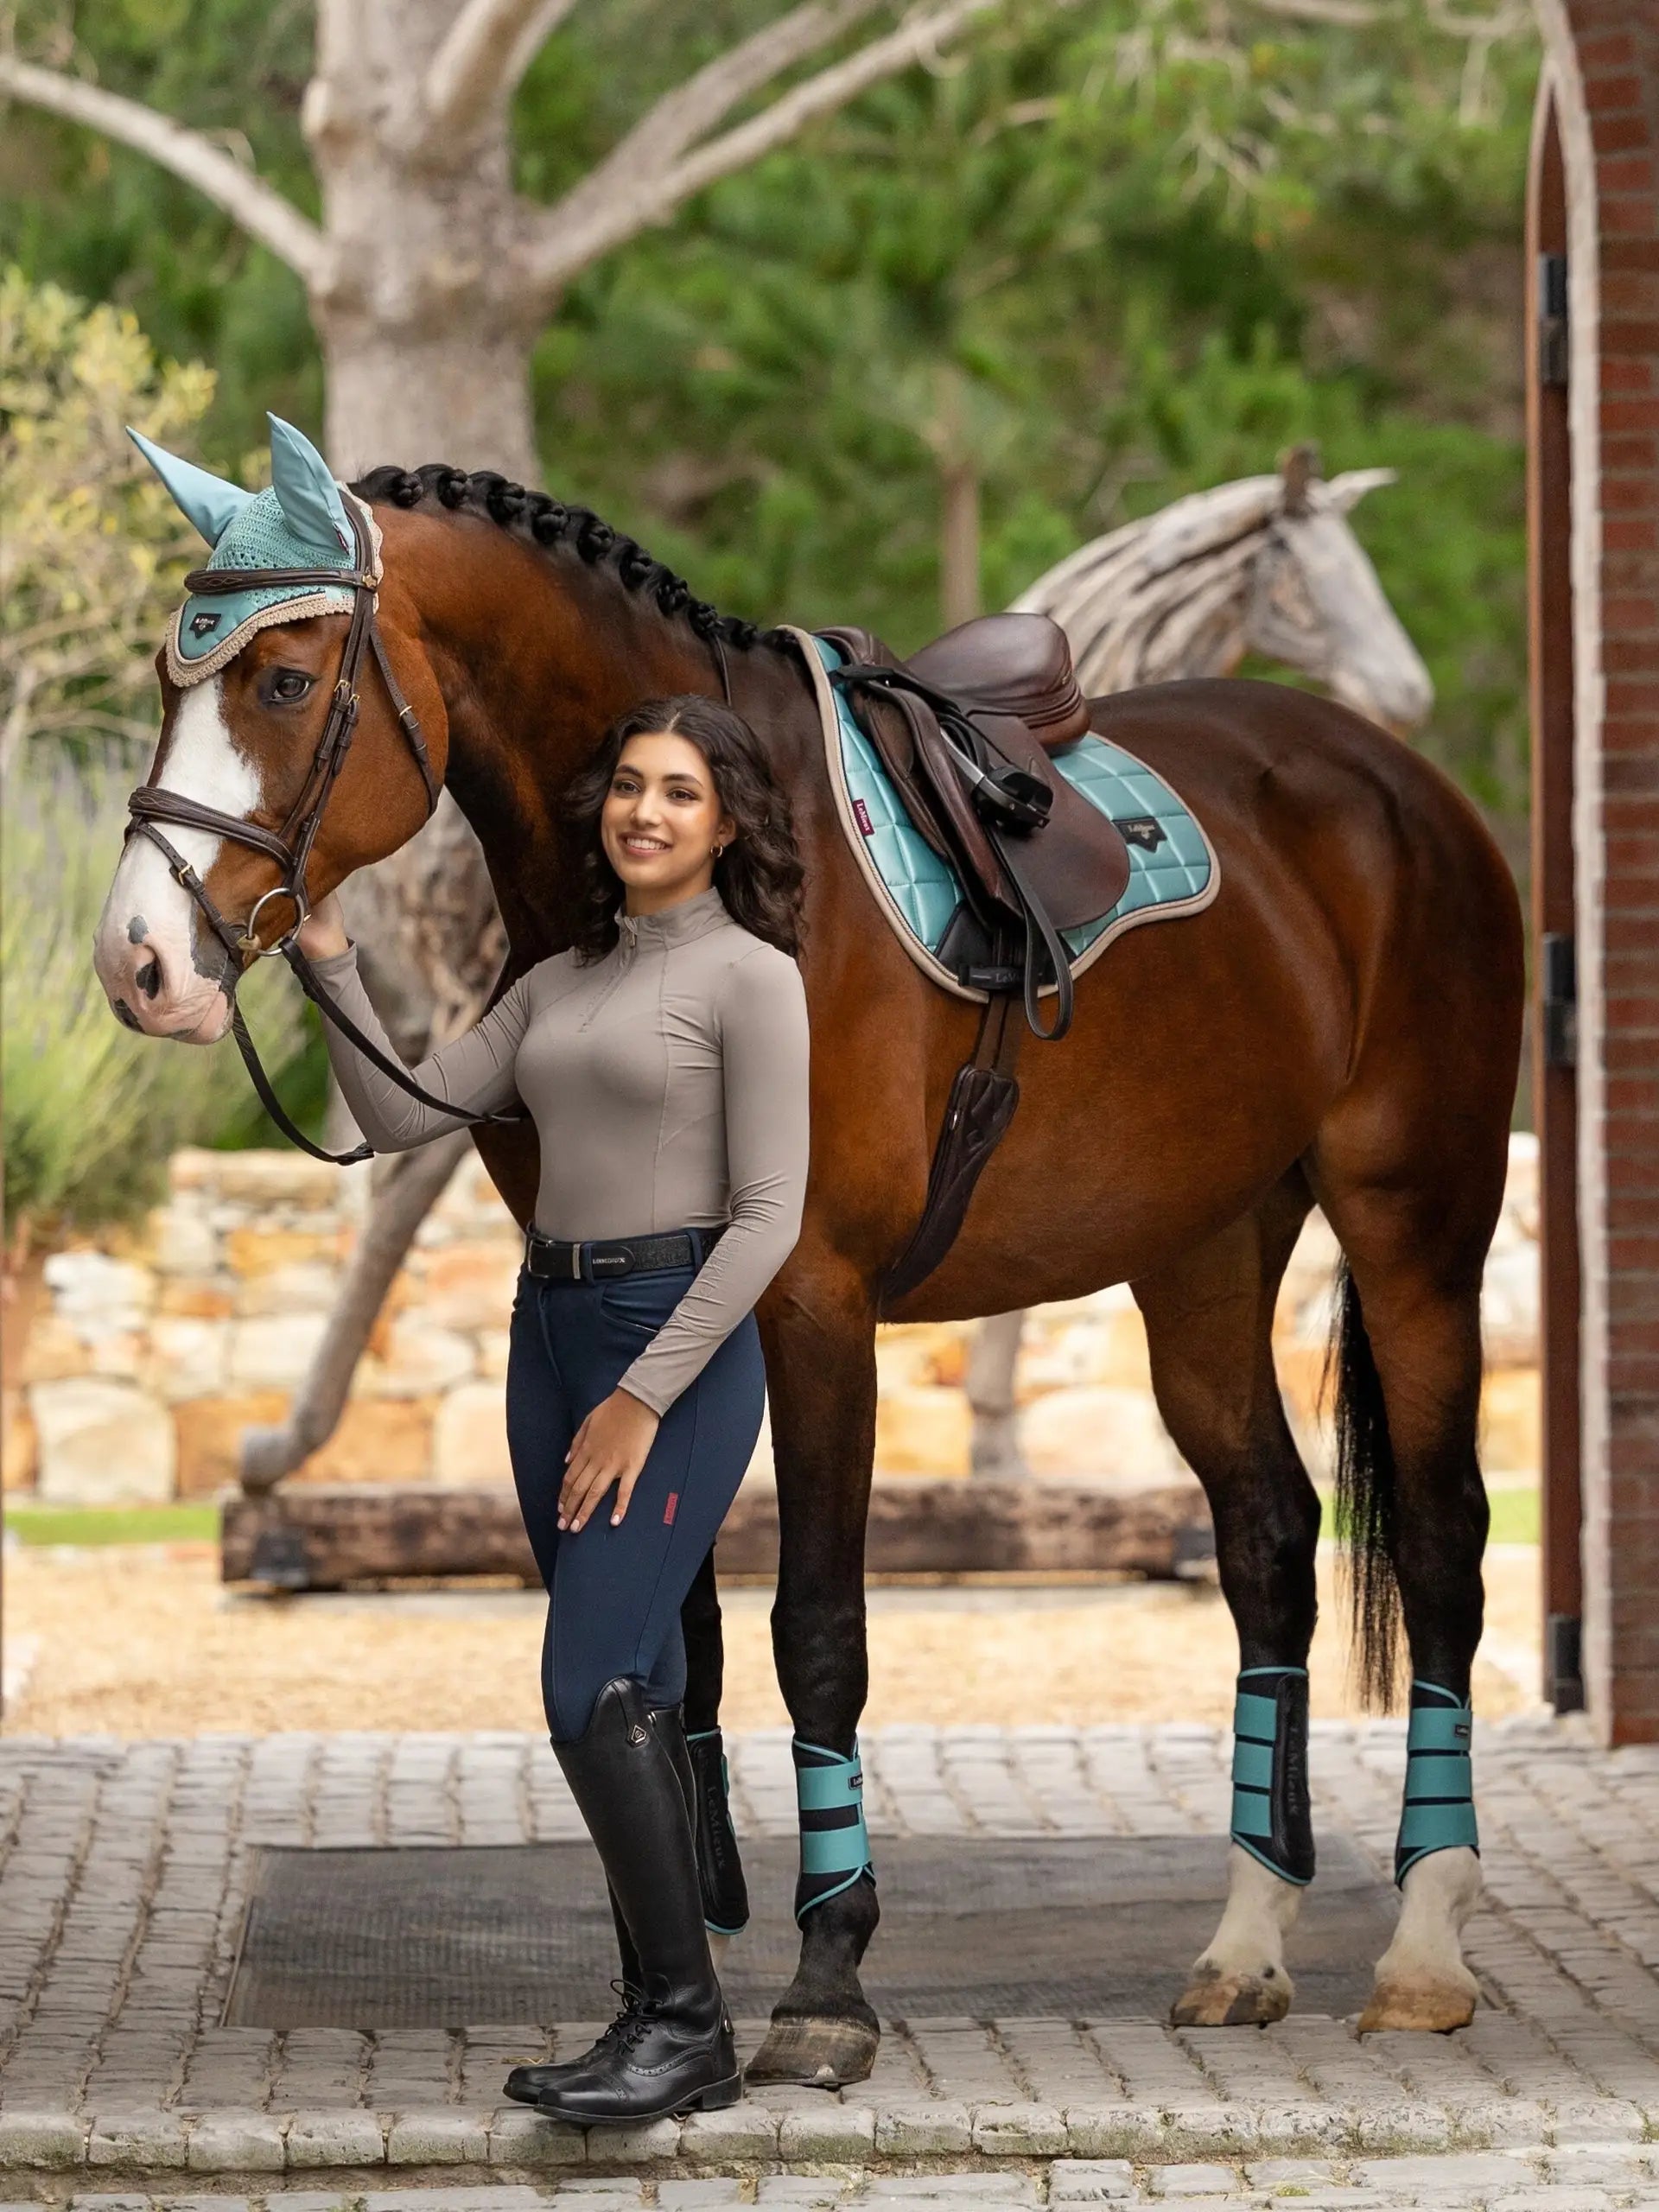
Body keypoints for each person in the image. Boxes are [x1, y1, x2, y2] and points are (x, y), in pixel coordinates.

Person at [296, 695, 810, 2125]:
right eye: (631, 787)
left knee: (585, 1688)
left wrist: (646, 1395)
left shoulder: (751, 978)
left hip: (674, 1349)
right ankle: (655, 2015)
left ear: (726, 824)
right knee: (626, 1685)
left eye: (682, 793)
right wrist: (325, 956)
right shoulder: (558, 977)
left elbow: (770, 1218)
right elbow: (401, 1114)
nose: (647, 812)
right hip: (552, 1334)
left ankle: (683, 2024)